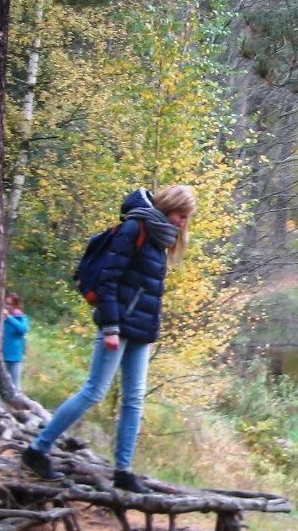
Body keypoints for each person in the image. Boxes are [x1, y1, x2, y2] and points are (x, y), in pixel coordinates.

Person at [20, 185, 196, 492]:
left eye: (186, 218)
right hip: (117, 326)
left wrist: (149, 332)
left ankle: (123, 472)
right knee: (94, 391)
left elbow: (148, 291)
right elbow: (109, 281)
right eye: (181, 215)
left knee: (134, 400)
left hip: (140, 332)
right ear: (168, 207)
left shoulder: (159, 237)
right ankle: (37, 449)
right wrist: (111, 327)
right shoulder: (136, 227)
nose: (182, 223)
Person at [2, 293, 30, 392]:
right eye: (5, 303)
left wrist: (9, 317)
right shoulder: (2, 318)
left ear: (15, 305)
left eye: (9, 304)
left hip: (15, 356)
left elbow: (23, 329)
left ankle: (18, 403)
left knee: (15, 383)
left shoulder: (21, 318)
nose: (6, 306)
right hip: (2, 355)